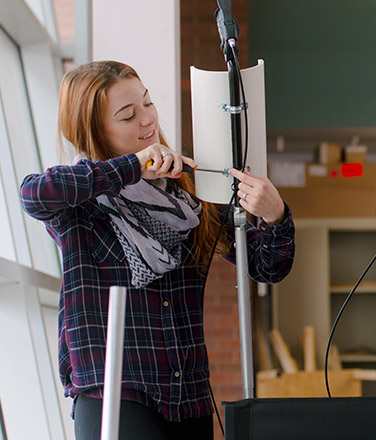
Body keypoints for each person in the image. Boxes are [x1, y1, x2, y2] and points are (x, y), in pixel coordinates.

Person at [19, 60, 295, 440]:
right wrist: (132, 167)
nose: (147, 120)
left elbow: (268, 267)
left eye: (148, 104)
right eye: (128, 115)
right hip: (114, 391)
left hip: (189, 396)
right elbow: (33, 193)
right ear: (93, 132)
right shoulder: (79, 204)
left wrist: (275, 215)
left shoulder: (188, 195)